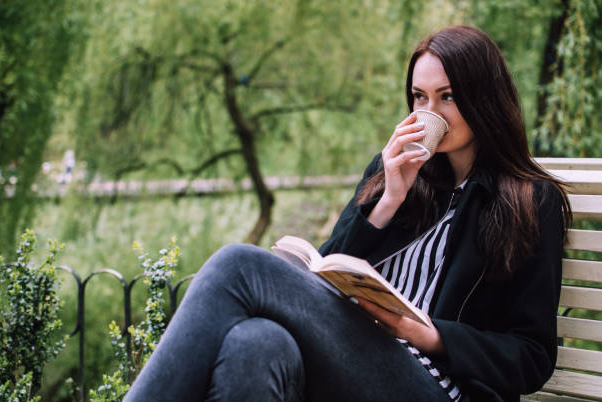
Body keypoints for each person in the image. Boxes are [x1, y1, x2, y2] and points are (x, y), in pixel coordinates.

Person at [124, 25, 571, 402]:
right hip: (359, 363)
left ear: (484, 100)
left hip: (439, 386)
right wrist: (388, 200)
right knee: (255, 344)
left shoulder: (529, 200)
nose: (428, 113)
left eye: (447, 97)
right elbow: (321, 272)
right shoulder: (394, 173)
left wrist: (429, 335)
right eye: (419, 97)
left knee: (239, 266)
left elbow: (532, 355)